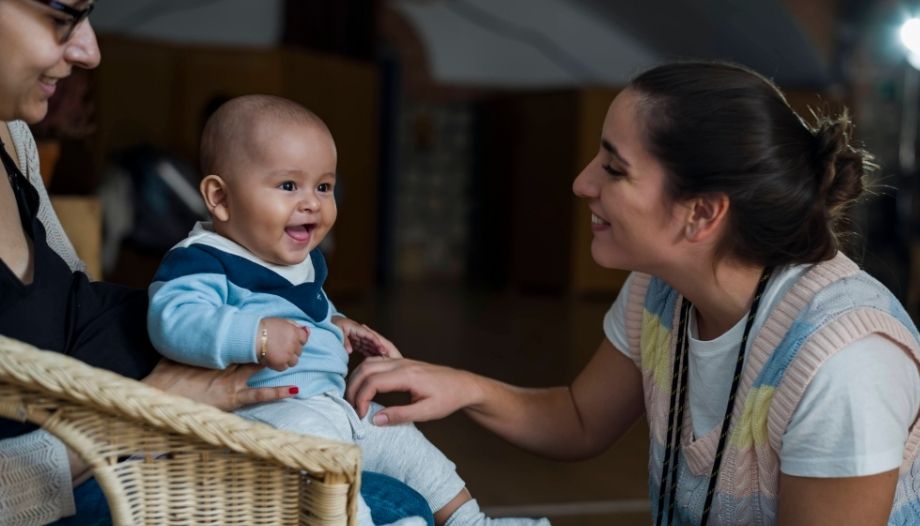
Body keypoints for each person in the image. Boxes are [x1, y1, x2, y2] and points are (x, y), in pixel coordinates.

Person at [347, 61, 920, 526]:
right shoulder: (662, 286)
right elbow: (579, 420)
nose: (582, 183)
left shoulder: (844, 364)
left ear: (700, 213)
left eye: (614, 169)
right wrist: (460, 387)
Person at [0, 1, 432, 525]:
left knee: (400, 481)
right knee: (390, 506)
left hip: (156, 415)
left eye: (323, 186)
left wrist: (323, 323)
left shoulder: (14, 138)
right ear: (219, 198)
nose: (90, 50)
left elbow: (73, 303)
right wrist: (146, 409)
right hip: (115, 447)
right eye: (64, 16)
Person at [146, 94, 549, 526]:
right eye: (288, 186)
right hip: (264, 417)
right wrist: (256, 336)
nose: (312, 203)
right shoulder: (204, 258)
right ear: (220, 197)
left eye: (323, 187)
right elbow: (174, 320)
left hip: (332, 405)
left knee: (407, 445)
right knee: (328, 477)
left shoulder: (297, 261)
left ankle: (471, 521)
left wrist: (337, 324)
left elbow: (307, 310)